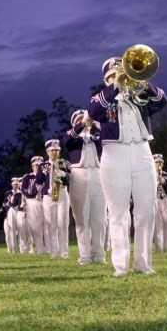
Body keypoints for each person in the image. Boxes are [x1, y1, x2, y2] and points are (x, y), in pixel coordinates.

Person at [86, 57, 167, 276]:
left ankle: (143, 264)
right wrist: (116, 86)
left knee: (147, 210)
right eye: (114, 74)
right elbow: (93, 112)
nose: (121, 77)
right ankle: (121, 265)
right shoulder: (101, 97)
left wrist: (142, 82)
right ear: (107, 79)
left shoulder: (139, 95)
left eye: (123, 73)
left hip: (142, 151)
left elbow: (163, 101)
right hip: (114, 154)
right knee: (118, 212)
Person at [63, 109, 106, 265]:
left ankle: (99, 254)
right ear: (75, 122)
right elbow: (67, 141)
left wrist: (96, 121)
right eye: (81, 119)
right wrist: (82, 123)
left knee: (100, 218)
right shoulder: (72, 137)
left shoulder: (97, 138)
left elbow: (110, 134)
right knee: (81, 219)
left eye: (86, 118)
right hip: (78, 175)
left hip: (98, 174)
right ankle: (85, 255)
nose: (85, 120)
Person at [40, 139, 72, 259]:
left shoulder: (64, 163)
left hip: (62, 193)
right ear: (47, 152)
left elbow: (72, 178)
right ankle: (54, 251)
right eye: (52, 150)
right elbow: (38, 183)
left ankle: (64, 252)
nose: (54, 152)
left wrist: (65, 175)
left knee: (63, 223)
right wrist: (45, 190)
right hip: (48, 197)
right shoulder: (43, 166)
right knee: (51, 224)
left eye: (57, 150)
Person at [21, 156, 47, 255]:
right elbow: (24, 190)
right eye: (36, 165)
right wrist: (31, 191)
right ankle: (40, 249)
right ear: (32, 166)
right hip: (33, 202)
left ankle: (49, 249)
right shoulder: (28, 177)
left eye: (39, 165)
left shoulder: (46, 175)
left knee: (47, 225)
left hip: (45, 200)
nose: (37, 167)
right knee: (36, 227)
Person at [153, 154, 167, 253]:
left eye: (161, 162)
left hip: (165, 199)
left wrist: (164, 183)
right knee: (158, 225)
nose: (159, 164)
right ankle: (159, 248)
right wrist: (156, 183)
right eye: (157, 162)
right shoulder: (149, 175)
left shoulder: (166, 175)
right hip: (155, 200)